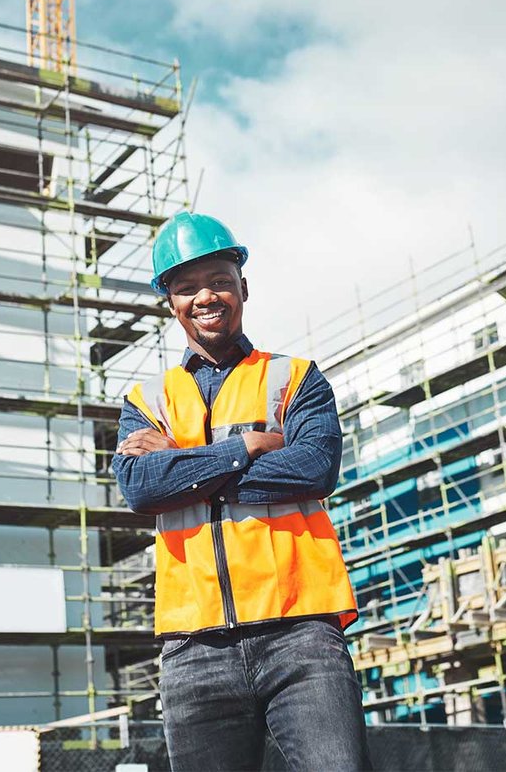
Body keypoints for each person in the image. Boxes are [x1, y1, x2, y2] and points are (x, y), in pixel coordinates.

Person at [110, 212, 369, 771]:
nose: (206, 296)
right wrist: (247, 446)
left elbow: (315, 468)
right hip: (193, 645)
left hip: (301, 631)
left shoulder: (295, 377)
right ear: (171, 303)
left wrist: (181, 466)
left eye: (219, 281)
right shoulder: (146, 400)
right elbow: (141, 488)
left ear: (243, 288)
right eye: (187, 287)